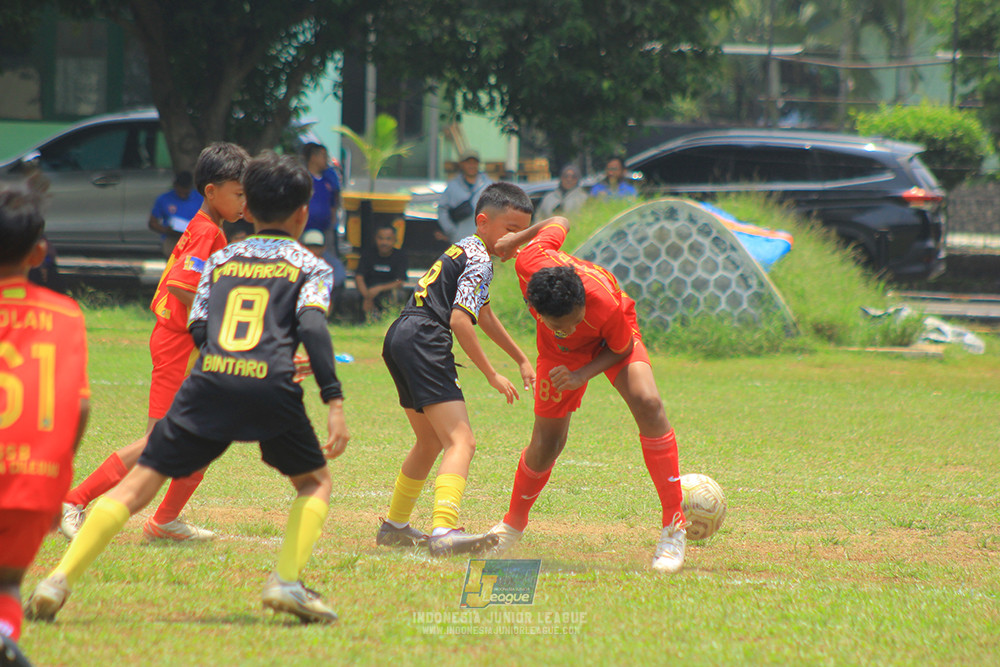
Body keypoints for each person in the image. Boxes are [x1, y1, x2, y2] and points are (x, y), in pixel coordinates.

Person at [27, 152, 351, 625]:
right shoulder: (310, 265)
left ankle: (58, 579)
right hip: (270, 387)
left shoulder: (221, 258)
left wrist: (225, 360)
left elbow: (200, 328)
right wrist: (333, 399)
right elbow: (314, 330)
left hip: (210, 381)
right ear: (302, 214)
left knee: (139, 485)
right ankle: (286, 581)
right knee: (314, 482)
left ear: (252, 209)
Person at [58, 143, 249, 544]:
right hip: (179, 346)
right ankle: (75, 500)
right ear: (211, 191)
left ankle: (165, 521)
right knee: (158, 441)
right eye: (238, 193)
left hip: (187, 346)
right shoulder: (206, 232)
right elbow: (183, 287)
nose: (244, 202)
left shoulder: (209, 231)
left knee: (205, 432)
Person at [485, 216, 687, 573]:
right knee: (547, 443)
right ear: (538, 311)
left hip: (612, 343)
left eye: (576, 320)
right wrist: (518, 237)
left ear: (582, 303)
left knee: (649, 403)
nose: (571, 328)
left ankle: (674, 528)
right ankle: (511, 527)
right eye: (560, 326)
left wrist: (581, 375)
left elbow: (622, 349)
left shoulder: (603, 306)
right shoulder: (528, 262)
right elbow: (558, 220)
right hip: (557, 358)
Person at [377, 182, 535, 557]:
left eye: (524, 233)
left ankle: (395, 527)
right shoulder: (481, 259)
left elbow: (483, 312)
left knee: (431, 441)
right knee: (461, 441)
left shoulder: (467, 248)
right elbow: (461, 321)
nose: (518, 241)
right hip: (426, 337)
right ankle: (444, 530)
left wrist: (520, 358)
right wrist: (491, 373)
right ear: (483, 222)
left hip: (401, 334)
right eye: (512, 231)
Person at [0, 181, 89, 655]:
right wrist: (56, 484)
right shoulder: (66, 315)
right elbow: (78, 408)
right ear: (39, 253)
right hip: (32, 485)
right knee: (7, 585)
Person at [355, 223, 408, 320]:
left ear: (394, 240)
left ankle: (391, 319)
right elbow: (359, 277)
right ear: (375, 239)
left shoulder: (400, 256)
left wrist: (379, 288)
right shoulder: (368, 254)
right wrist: (367, 296)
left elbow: (399, 282)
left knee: (399, 295)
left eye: (388, 239)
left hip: (388, 290)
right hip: (368, 290)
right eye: (381, 238)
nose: (384, 242)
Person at [437, 149, 492, 242]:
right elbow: (442, 210)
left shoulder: (489, 186)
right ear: (462, 164)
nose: (471, 166)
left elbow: (498, 210)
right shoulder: (452, 186)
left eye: (474, 163)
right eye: (468, 163)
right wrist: (451, 231)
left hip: (483, 240)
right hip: (459, 240)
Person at [148, 171, 204, 257]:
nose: (182, 195)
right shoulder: (164, 199)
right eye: (179, 192)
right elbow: (152, 223)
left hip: (194, 238)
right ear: (175, 186)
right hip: (172, 237)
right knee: (172, 256)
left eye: (185, 193)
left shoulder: (200, 199)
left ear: (190, 188)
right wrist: (167, 230)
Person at [302, 142, 341, 245]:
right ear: (313, 157)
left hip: (325, 230)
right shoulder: (303, 178)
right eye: (324, 156)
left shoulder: (328, 179)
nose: (326, 159)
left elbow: (334, 201)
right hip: (304, 229)